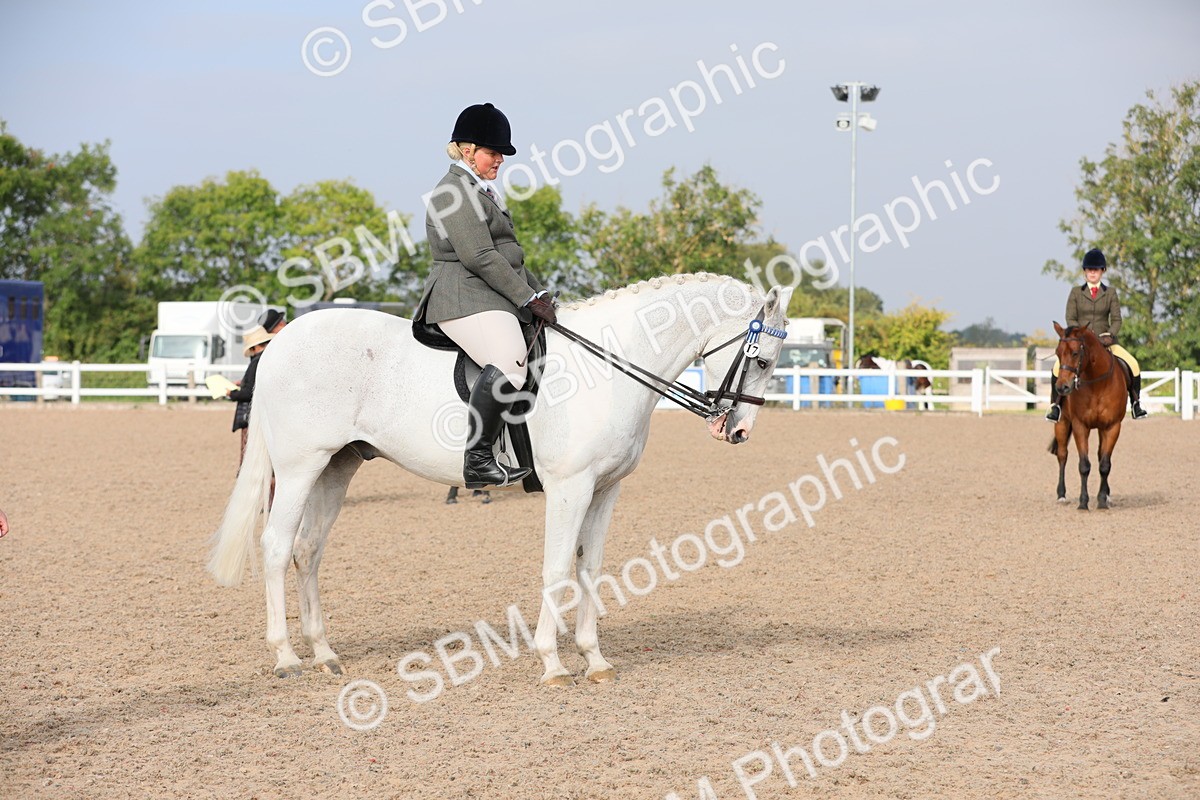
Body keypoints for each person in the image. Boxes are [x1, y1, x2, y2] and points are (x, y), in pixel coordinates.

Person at [414, 102, 557, 489]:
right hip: (461, 294)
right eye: (493, 153)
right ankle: (478, 458)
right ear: (466, 150)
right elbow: (479, 256)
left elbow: (508, 255)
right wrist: (526, 298)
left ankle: (529, 461)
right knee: (511, 364)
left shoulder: (480, 190)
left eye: (501, 155)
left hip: (488, 292)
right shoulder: (451, 192)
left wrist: (538, 290)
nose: (499, 161)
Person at [1046, 248, 1147, 421]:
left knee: (1133, 364)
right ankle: (1055, 406)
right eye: (1089, 269)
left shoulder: (1110, 293)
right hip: (1080, 342)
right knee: (1058, 368)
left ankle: (1136, 403)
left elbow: (1117, 319)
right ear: (1085, 271)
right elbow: (1070, 317)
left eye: (1096, 269)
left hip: (1106, 341)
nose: (1092, 273)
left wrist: (1110, 335)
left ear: (1102, 271)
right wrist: (1079, 336)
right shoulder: (1076, 292)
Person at [227, 325, 275, 466]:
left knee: (249, 456)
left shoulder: (256, 362)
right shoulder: (269, 359)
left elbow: (249, 392)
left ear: (254, 347)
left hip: (251, 416)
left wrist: (232, 393)